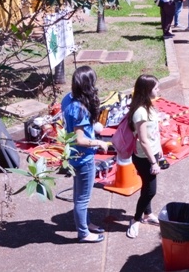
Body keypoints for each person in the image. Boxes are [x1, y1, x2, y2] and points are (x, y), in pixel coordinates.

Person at [61, 66, 109, 243]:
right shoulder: (80, 109)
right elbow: (80, 139)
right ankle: (83, 233)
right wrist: (98, 142)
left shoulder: (68, 99)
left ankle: (86, 223)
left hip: (72, 156)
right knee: (82, 199)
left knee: (79, 194)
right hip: (84, 158)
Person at [126, 75, 165, 239]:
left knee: (147, 187)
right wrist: (153, 162)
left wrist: (160, 147)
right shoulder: (140, 112)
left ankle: (148, 214)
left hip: (152, 153)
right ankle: (136, 219)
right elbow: (143, 140)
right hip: (144, 158)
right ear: (146, 91)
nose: (159, 90)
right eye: (156, 88)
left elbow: (153, 132)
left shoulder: (149, 106)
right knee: (150, 191)